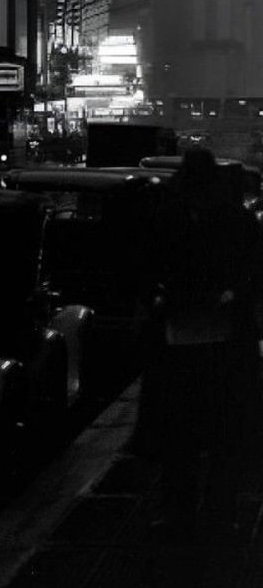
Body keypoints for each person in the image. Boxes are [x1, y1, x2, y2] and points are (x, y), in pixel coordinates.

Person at [135, 147, 258, 531]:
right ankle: (219, 512)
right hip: (224, 341)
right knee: (222, 434)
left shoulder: (166, 218)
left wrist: (161, 300)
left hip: (179, 342)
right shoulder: (236, 219)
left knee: (181, 434)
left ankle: (180, 510)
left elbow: (146, 268)